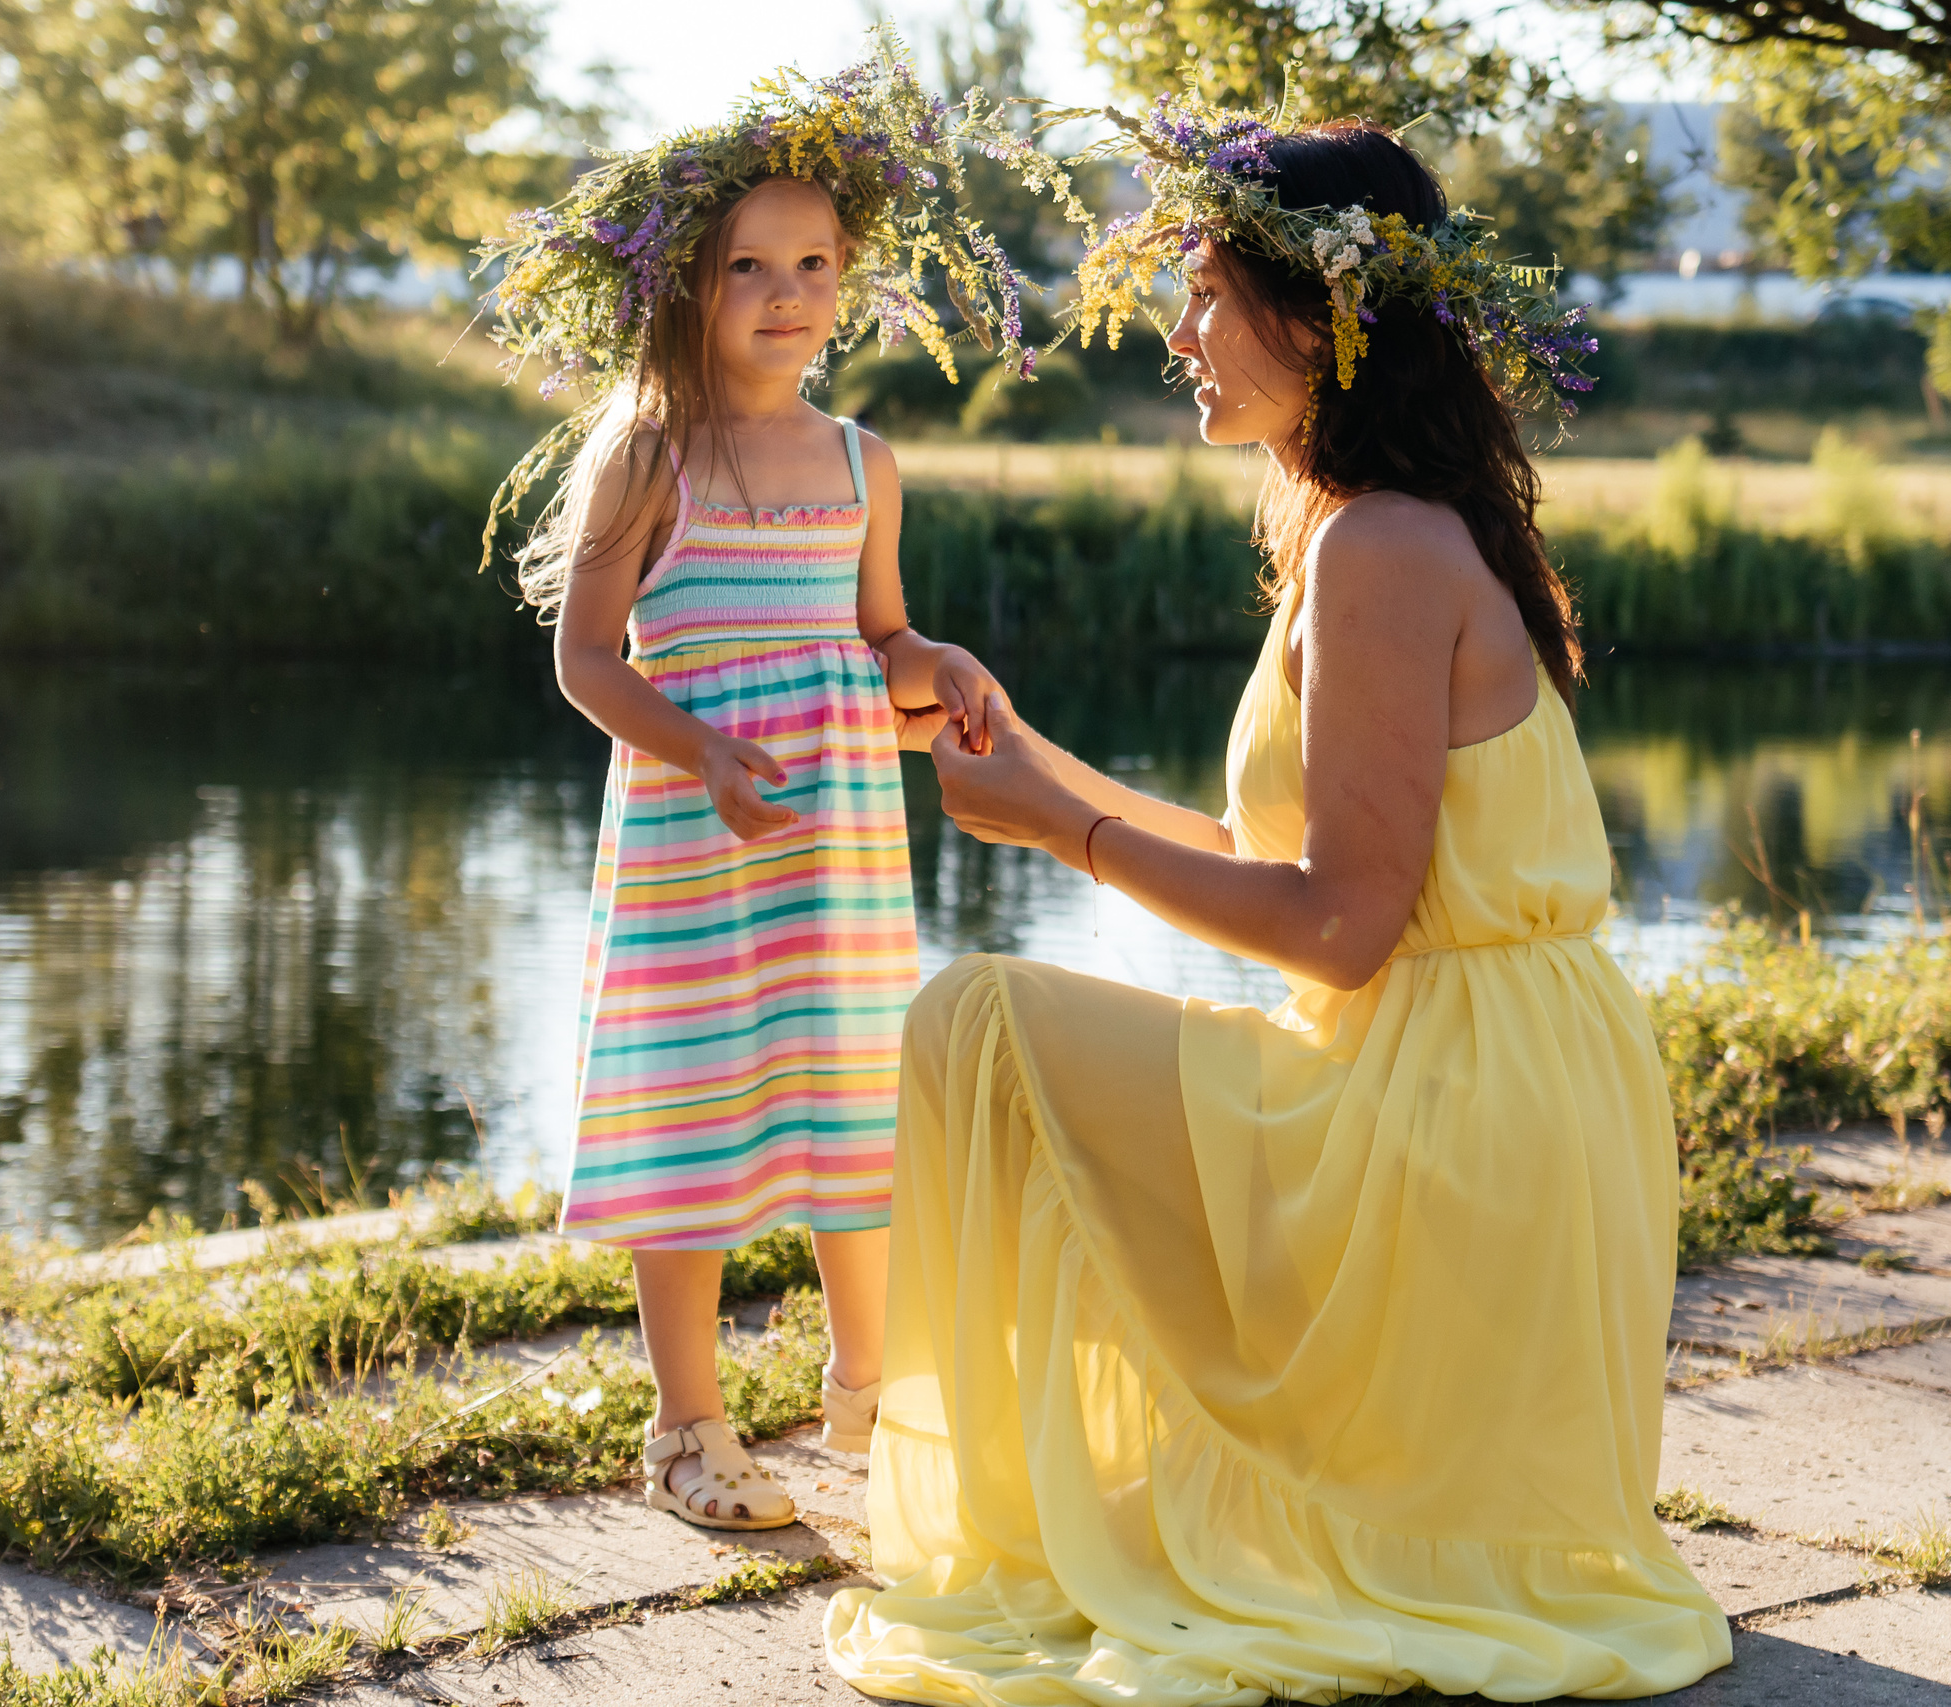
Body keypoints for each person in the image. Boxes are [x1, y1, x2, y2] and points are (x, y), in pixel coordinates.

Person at [824, 107, 1733, 1701]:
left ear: (1315, 319)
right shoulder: (1361, 526)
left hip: (1454, 1119)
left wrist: (1065, 836)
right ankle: (1117, 1471)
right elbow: (1315, 875)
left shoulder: (1382, 546)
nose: (1175, 334)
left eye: (1202, 298)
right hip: (1480, 1077)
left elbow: (1338, 925)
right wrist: (1039, 769)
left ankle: (1040, 1494)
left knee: (979, 1021)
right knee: (1005, 1023)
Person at [474, 43, 1055, 1534]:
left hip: (840, 844)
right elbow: (587, 665)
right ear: (683, 281)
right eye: (748, 266)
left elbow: (877, 640)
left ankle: (868, 1385)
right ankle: (685, 1421)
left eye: (812, 262)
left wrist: (947, 668)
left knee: (855, 1096)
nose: (786, 293)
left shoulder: (863, 460)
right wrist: (700, 748)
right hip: (692, 834)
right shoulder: (647, 452)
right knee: (692, 1105)